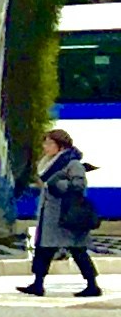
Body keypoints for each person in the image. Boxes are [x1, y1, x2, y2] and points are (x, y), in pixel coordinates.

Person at [23, 124, 99, 299]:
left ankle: (92, 284)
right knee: (44, 250)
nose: (45, 147)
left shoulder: (72, 163)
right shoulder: (49, 164)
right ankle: (38, 283)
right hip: (50, 216)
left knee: (78, 250)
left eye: (49, 143)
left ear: (61, 145)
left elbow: (79, 185)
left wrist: (59, 185)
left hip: (66, 216)